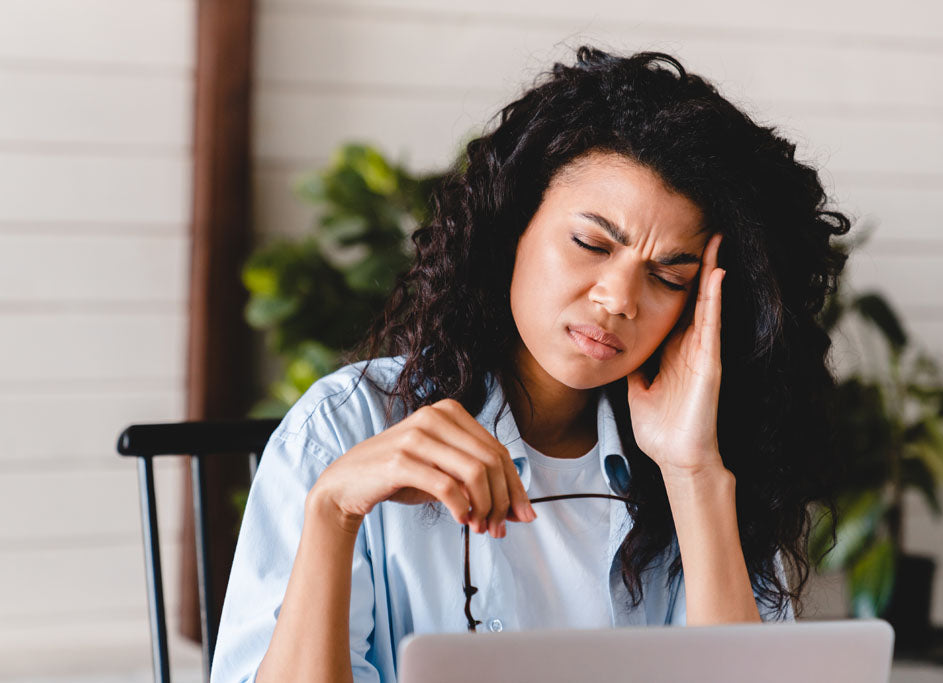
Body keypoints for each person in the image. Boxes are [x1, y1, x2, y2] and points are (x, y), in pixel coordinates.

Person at [211, 45, 851, 683]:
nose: (618, 299)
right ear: (511, 225)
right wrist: (333, 513)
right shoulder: (342, 428)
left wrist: (693, 474)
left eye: (667, 276)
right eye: (590, 244)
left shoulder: (706, 457)